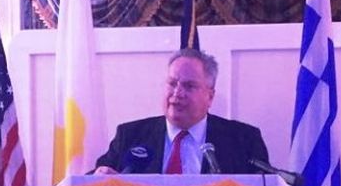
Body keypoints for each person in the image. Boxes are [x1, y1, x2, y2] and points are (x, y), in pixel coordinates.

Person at [94, 48, 269, 174]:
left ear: (210, 97)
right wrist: (100, 176)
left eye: (189, 86)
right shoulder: (130, 136)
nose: (177, 93)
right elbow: (94, 181)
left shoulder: (243, 140)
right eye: (172, 83)